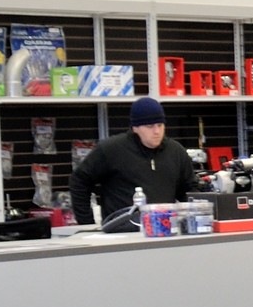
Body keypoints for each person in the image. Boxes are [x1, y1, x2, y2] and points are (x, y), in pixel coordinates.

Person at [71, 97, 199, 229]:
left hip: (164, 231)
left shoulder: (176, 151)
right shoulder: (111, 149)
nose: (156, 131)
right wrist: (87, 224)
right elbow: (79, 181)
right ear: (135, 127)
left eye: (160, 125)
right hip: (122, 233)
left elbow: (188, 191)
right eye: (150, 126)